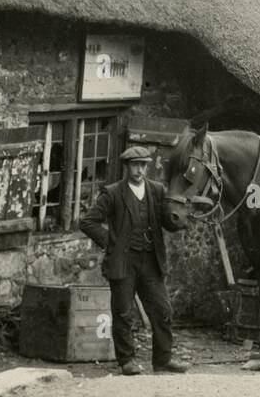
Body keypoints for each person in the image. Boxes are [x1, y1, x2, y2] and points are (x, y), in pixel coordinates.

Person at [79, 146, 186, 375]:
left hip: (150, 260)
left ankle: (163, 360)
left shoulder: (157, 191)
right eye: (135, 165)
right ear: (126, 167)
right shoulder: (113, 192)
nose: (139, 170)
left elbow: (167, 222)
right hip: (123, 262)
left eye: (143, 165)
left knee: (163, 309)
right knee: (123, 313)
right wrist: (111, 241)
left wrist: (178, 220)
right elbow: (88, 222)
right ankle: (126, 361)